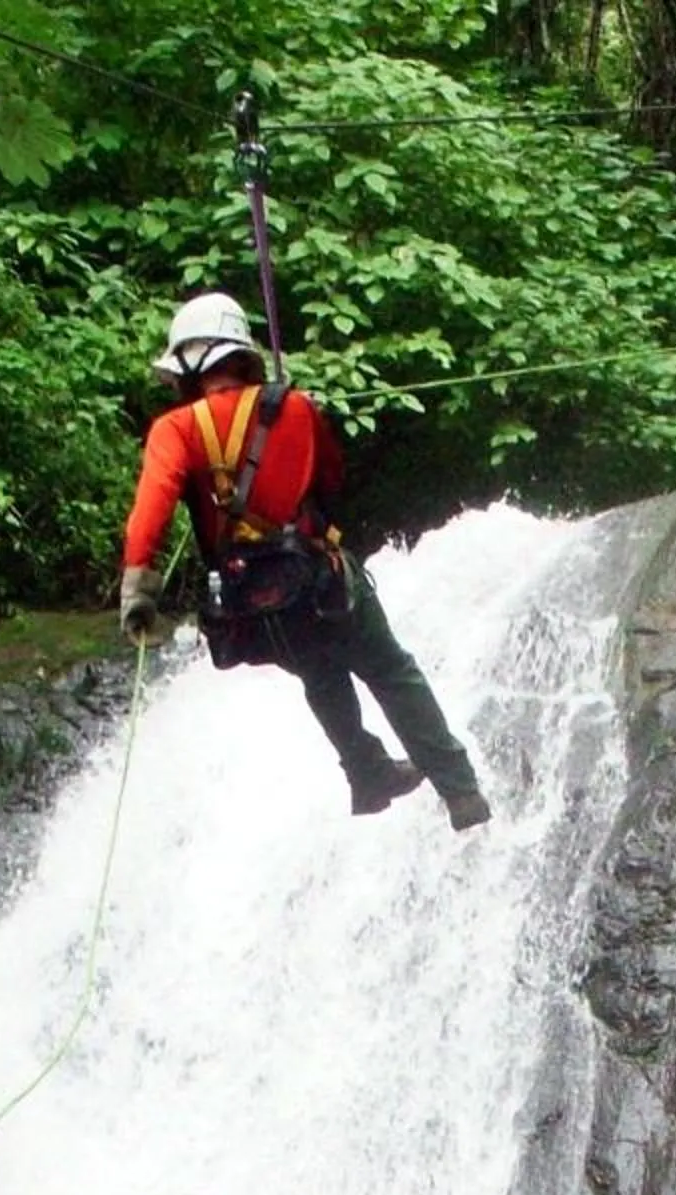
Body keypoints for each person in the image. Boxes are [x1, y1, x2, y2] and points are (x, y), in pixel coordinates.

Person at [118, 292, 493, 831]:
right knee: (391, 671)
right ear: (241, 355)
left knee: (318, 671)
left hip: (252, 604)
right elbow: (332, 478)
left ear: (190, 368)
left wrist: (139, 595)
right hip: (316, 578)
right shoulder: (293, 408)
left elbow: (149, 514)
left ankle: (367, 773)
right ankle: (460, 791)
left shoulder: (175, 430)